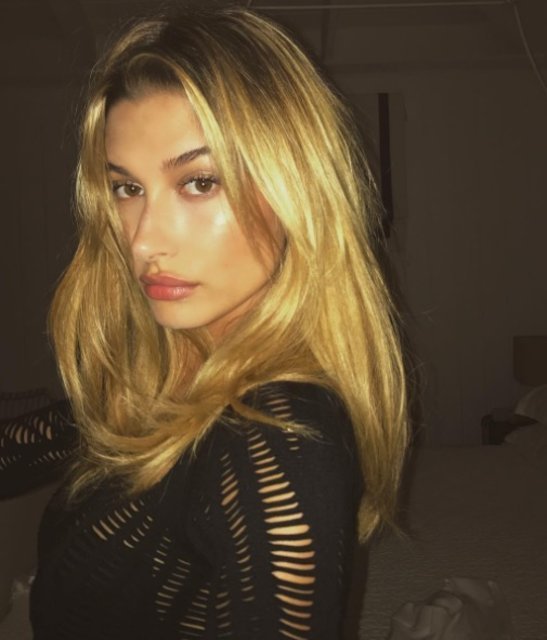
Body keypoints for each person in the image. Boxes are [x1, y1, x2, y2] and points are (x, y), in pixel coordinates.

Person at [0, 4, 409, 639]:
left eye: (199, 182)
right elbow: (48, 438)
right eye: (127, 189)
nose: (142, 241)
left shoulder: (274, 437)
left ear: (296, 190)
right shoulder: (174, 369)